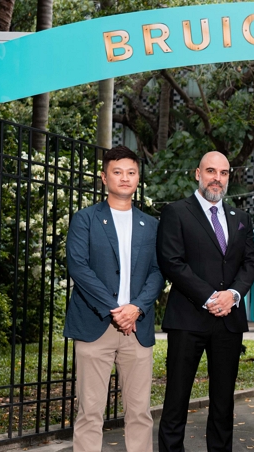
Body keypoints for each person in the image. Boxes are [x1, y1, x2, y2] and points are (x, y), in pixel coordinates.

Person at [64, 145, 164, 452]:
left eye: (131, 172)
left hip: (137, 329)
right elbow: (78, 267)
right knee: (90, 412)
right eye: (117, 172)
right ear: (104, 177)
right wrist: (115, 310)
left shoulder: (151, 225)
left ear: (138, 178)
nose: (125, 178)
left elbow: (158, 271)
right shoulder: (85, 219)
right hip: (95, 326)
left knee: (140, 413)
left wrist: (136, 308)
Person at [156, 151, 254, 452]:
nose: (217, 178)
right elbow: (172, 262)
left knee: (223, 403)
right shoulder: (176, 212)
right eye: (211, 171)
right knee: (176, 399)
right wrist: (210, 297)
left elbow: (249, 263)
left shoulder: (241, 218)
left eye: (223, 173)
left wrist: (233, 295)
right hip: (187, 319)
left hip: (228, 322)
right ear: (198, 174)